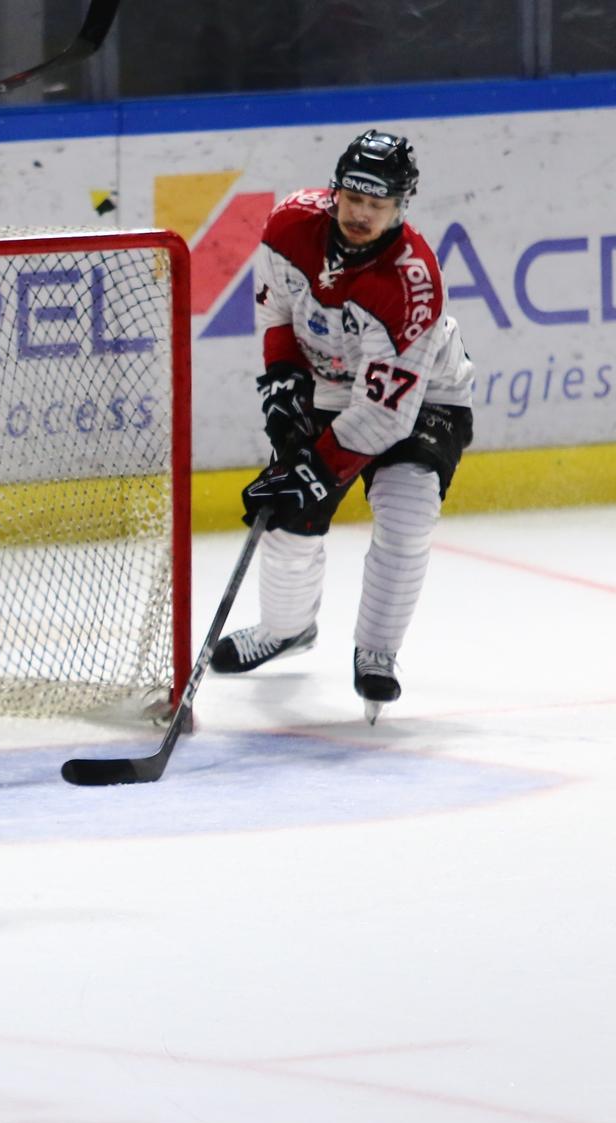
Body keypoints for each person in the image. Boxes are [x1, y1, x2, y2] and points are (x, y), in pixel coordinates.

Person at [212, 130, 474, 722]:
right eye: (353, 198)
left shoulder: (411, 284)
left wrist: (318, 469)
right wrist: (282, 383)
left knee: (407, 511)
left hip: (424, 396)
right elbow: (278, 311)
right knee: (285, 516)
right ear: (335, 191)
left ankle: (376, 654)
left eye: (377, 205)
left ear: (401, 207)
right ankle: (286, 629)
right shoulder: (289, 225)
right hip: (331, 384)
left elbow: (384, 416)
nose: (360, 214)